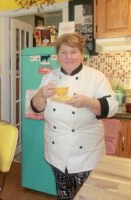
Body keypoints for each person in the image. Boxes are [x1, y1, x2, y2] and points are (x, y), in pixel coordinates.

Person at [30, 33, 118, 200]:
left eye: (73, 52)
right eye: (63, 52)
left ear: (81, 54)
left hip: (87, 153)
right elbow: (36, 108)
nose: (68, 57)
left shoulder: (95, 77)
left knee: (90, 196)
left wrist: (88, 102)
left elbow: (112, 108)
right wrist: (41, 94)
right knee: (64, 194)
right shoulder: (49, 76)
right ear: (57, 56)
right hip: (56, 150)